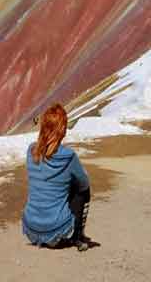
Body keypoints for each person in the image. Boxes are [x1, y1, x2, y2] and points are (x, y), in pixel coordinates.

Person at [22, 103, 92, 251]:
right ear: (62, 130)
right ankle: (77, 236)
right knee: (81, 190)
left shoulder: (31, 150)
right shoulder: (68, 156)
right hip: (55, 230)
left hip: (31, 228)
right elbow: (84, 184)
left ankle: (51, 230)